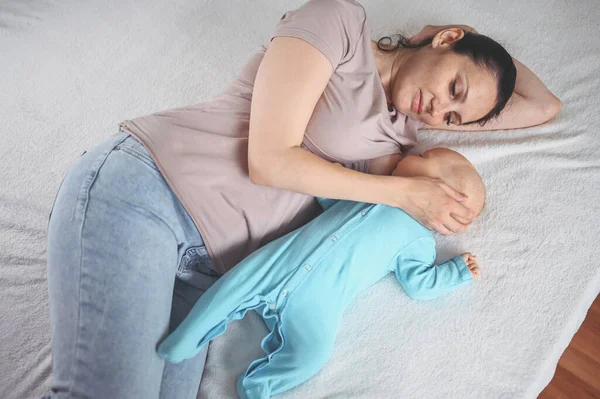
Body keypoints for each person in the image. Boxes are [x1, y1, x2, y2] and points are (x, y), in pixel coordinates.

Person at [44, 0, 560, 397]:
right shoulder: (338, 23)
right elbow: (270, 159)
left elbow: (543, 105)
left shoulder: (403, 142)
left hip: (204, 274)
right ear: (447, 39)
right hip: (147, 193)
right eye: (454, 87)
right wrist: (405, 192)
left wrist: (476, 79)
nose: (439, 113)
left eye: (453, 119)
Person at [156, 148, 485, 399]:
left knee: (314, 352)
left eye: (425, 156)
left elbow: (419, 284)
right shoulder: (376, 186)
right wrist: (328, 173)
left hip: (320, 302)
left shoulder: (419, 241)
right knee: (233, 286)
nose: (415, 153)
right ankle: (185, 339)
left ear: (442, 191)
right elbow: (328, 193)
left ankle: (259, 386)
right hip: (282, 259)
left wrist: (456, 272)